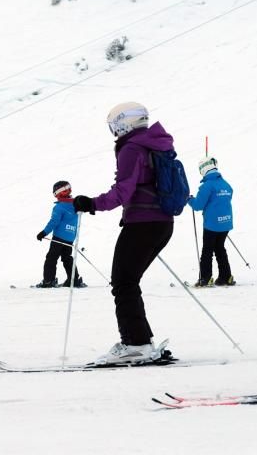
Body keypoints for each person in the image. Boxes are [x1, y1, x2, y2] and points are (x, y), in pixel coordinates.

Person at [72, 101, 176, 365]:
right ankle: (139, 340)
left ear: (123, 122)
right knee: (127, 282)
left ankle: (136, 344)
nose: (114, 130)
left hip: (142, 223)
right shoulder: (156, 143)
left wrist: (92, 203)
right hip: (162, 223)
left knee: (123, 282)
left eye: (114, 125)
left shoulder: (132, 148)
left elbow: (123, 191)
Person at [186, 155, 234, 287]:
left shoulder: (207, 186)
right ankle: (226, 276)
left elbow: (198, 205)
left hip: (212, 224)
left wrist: (189, 199)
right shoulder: (226, 184)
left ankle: (205, 278)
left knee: (207, 251)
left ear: (203, 169)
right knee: (220, 249)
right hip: (226, 223)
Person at [35, 180, 84, 288]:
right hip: (70, 237)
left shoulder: (59, 207)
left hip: (58, 238)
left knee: (51, 258)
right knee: (67, 257)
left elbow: (54, 222)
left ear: (59, 193)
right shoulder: (76, 205)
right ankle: (74, 279)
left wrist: (43, 233)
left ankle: (48, 281)